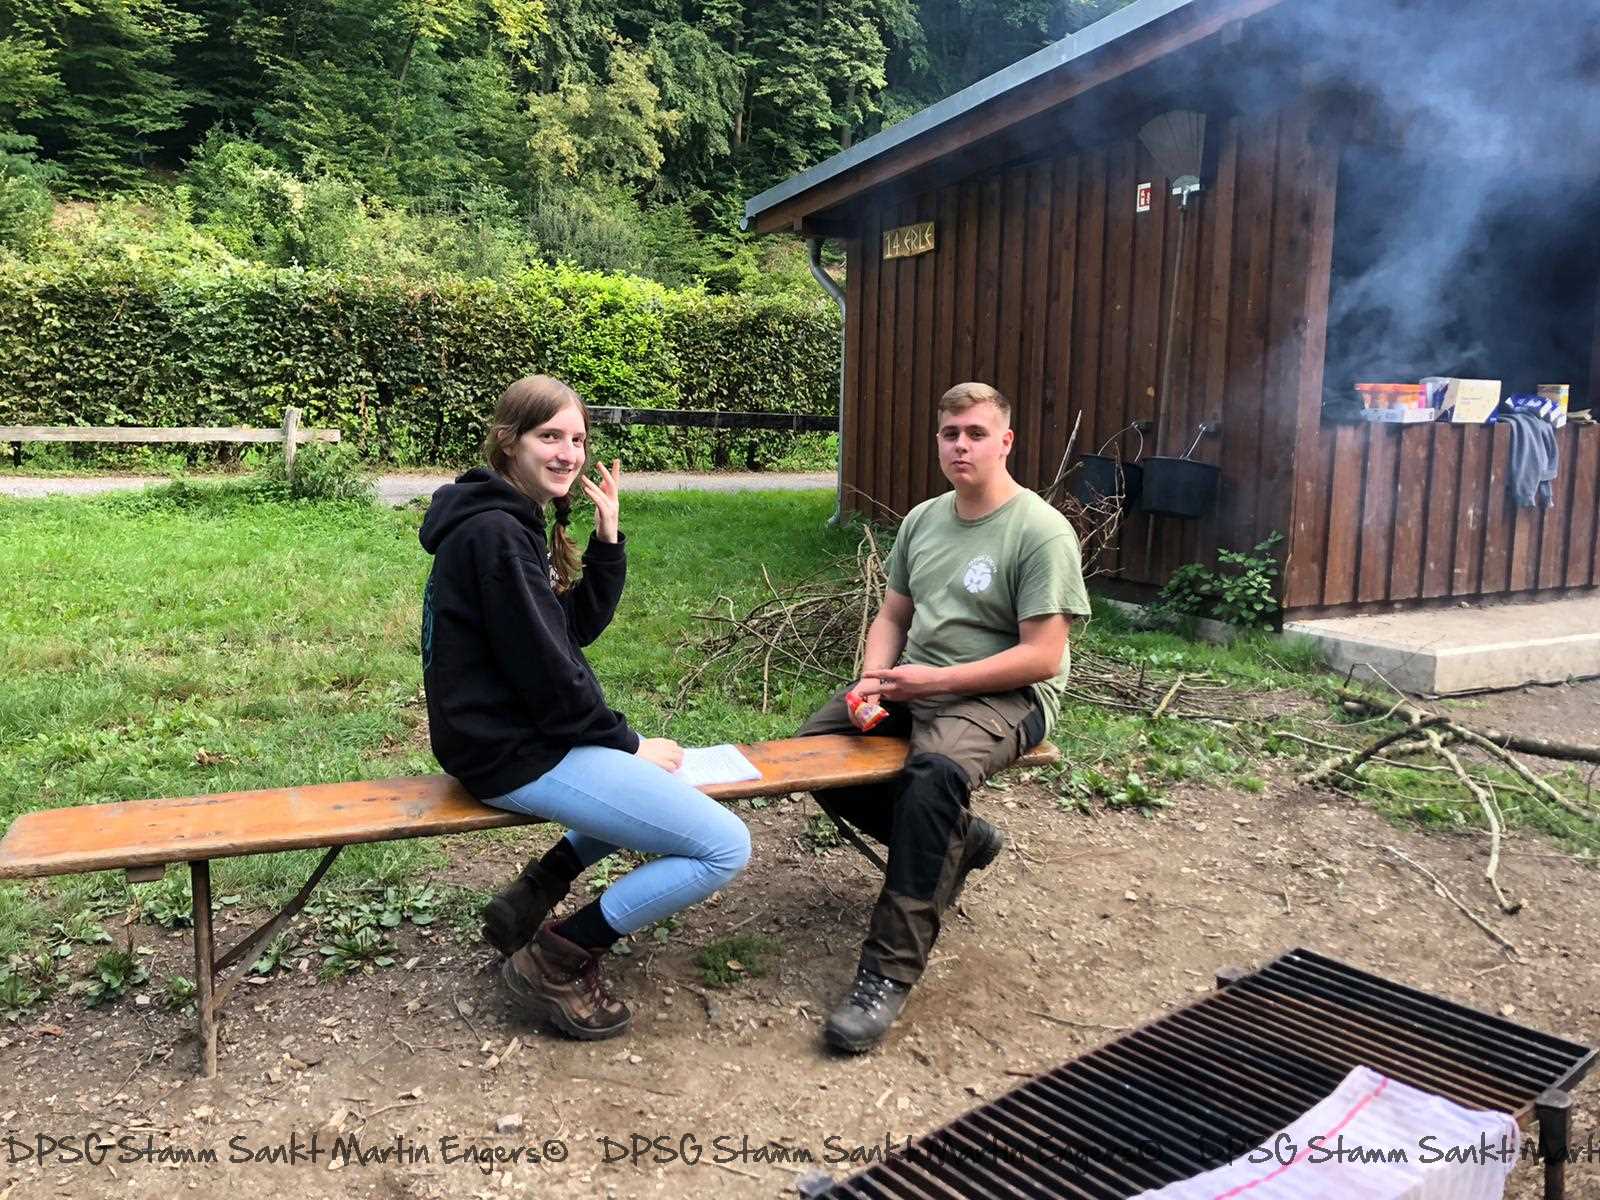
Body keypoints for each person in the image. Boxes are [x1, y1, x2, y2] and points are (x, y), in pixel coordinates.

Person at [418, 375, 751, 1041]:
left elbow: (568, 633)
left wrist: (607, 540)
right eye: (551, 437)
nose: (569, 452)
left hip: (510, 735)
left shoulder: (507, 520)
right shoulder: (496, 534)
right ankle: (559, 955)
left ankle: (537, 889)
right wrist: (628, 744)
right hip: (508, 749)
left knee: (656, 787)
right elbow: (549, 676)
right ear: (509, 442)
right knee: (723, 847)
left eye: (577, 439)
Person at [798, 381, 1091, 1053]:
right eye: (951, 434)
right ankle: (961, 840)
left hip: (1007, 696)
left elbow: (1043, 656)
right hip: (916, 682)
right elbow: (893, 615)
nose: (962, 446)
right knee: (816, 751)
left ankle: (886, 974)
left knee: (932, 778)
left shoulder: (1040, 531)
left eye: (976, 434)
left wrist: (934, 680)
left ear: (1005, 442)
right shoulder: (924, 520)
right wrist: (873, 680)